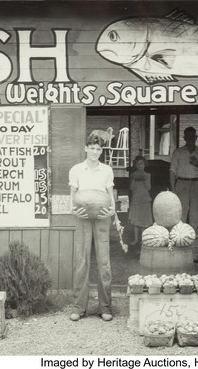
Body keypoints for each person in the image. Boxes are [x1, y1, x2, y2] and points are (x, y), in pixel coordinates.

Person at [69, 135, 116, 322]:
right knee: (82, 261)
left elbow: (110, 195)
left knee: (104, 263)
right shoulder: (76, 170)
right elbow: (72, 195)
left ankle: (105, 307)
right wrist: (74, 212)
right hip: (83, 217)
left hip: (102, 217)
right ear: (85, 148)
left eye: (98, 149)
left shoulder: (107, 170)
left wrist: (111, 212)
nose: (95, 152)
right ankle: (78, 307)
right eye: (92, 148)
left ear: (101, 151)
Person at [169, 126, 198, 234]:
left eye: (192, 136)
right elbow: (172, 171)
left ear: (196, 137)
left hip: (197, 184)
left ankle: (194, 238)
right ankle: (179, 236)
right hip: (181, 184)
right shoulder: (178, 152)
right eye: (188, 136)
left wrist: (197, 163)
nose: (190, 139)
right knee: (180, 212)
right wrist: (173, 189)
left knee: (195, 213)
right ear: (184, 137)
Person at [128, 155, 153, 245]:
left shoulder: (148, 175)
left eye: (141, 163)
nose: (139, 165)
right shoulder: (133, 174)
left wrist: (145, 178)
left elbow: (148, 188)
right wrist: (134, 179)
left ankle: (143, 240)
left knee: (144, 221)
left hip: (145, 199)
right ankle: (135, 239)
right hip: (136, 199)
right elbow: (131, 188)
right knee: (136, 221)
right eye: (137, 164)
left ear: (145, 165)